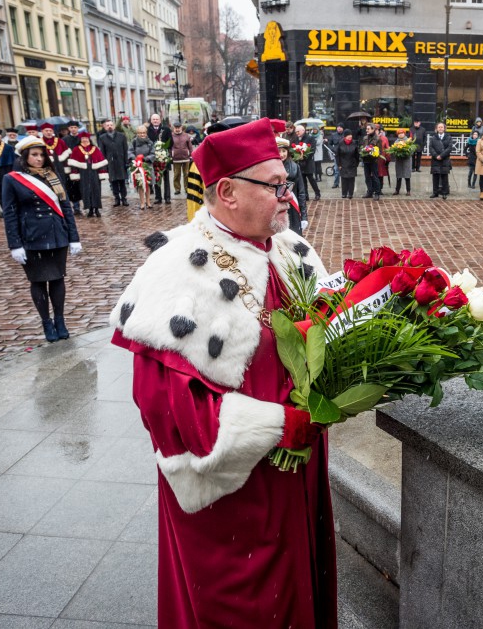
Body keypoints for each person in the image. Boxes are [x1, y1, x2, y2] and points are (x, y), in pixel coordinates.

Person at [108, 117, 336, 628]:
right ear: (228, 191)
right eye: (276, 184)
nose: (288, 195)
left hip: (294, 476)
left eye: (288, 182)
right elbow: (164, 403)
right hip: (232, 496)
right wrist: (278, 425)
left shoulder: (290, 249)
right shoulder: (177, 270)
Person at [2, 136, 81, 342]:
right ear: (24, 157)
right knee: (38, 281)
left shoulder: (53, 176)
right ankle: (46, 322)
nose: (39, 159)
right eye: (34, 155)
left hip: (57, 234)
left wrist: (74, 237)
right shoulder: (12, 179)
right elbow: (10, 213)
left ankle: (60, 320)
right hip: (31, 237)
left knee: (57, 279)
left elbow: (66, 207)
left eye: (41, 155)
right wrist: (15, 244)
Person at [68, 131, 108, 217]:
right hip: (83, 173)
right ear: (80, 139)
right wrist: (75, 174)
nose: (85, 140)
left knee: (96, 190)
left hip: (94, 172)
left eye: (86, 138)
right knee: (86, 191)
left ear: (88, 139)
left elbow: (100, 161)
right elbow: (73, 164)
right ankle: (90, 209)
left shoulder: (95, 148)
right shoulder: (76, 149)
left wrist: (102, 174)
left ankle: (96, 209)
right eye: (83, 138)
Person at [277, 136, 308, 234]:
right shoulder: (268, 168)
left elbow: (301, 192)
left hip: (292, 209)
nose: (281, 154)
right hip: (277, 209)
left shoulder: (295, 167)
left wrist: (304, 216)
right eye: (278, 151)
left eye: (284, 151)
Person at [99, 119, 129, 207]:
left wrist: (126, 161)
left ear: (114, 126)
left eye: (111, 125)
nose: (109, 127)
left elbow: (125, 149)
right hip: (110, 163)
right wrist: (104, 164)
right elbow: (102, 152)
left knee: (122, 181)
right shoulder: (102, 138)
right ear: (105, 127)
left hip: (121, 162)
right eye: (107, 125)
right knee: (113, 182)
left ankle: (124, 198)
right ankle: (116, 198)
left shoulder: (121, 136)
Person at [129, 125, 155, 210]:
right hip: (138, 165)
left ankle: (148, 201)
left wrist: (146, 158)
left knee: (148, 184)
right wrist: (135, 158)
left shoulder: (150, 142)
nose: (142, 134)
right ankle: (142, 203)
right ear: (137, 133)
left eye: (143, 133)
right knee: (140, 184)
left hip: (147, 165)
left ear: (146, 133)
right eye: (140, 133)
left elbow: (153, 153)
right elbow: (130, 151)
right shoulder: (134, 142)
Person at [169, 121, 193, 203]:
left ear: (181, 127)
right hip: (176, 158)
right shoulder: (171, 136)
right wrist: (170, 156)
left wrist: (191, 155)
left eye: (179, 127)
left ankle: (187, 188)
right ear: (174, 128)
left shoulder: (186, 135)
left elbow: (190, 146)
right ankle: (177, 189)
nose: (177, 129)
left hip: (186, 157)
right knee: (176, 174)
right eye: (176, 128)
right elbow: (169, 147)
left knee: (186, 174)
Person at [429, 122, 452, 199]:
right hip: (435, 160)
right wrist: (436, 156)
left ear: (444, 128)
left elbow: (449, 148)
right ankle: (435, 193)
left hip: (444, 159)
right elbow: (431, 148)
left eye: (442, 127)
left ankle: (444, 193)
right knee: (435, 177)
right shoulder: (433, 138)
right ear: (436, 129)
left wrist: (441, 155)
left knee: (444, 177)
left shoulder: (448, 137)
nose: (440, 128)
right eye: (439, 127)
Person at [360, 122, 382, 200]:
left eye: (368, 129)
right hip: (366, 160)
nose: (367, 130)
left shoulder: (378, 139)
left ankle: (377, 193)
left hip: (373, 160)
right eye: (366, 129)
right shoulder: (365, 138)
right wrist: (363, 152)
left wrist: (373, 153)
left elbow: (380, 151)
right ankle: (369, 192)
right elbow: (362, 148)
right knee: (367, 177)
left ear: (373, 129)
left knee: (375, 177)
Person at [335, 130, 359, 199]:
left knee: (351, 179)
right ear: (345, 137)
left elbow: (357, 154)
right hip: (343, 163)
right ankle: (344, 193)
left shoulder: (354, 143)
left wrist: (356, 163)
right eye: (348, 136)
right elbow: (337, 155)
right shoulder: (340, 143)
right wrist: (339, 164)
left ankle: (350, 194)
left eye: (351, 136)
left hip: (352, 164)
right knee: (344, 179)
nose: (350, 138)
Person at [392, 129, 413, 195]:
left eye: (402, 133)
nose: (401, 134)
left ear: (404, 134)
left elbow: (412, 150)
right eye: (399, 133)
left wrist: (406, 152)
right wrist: (397, 153)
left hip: (406, 160)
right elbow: (393, 151)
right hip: (399, 161)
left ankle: (408, 191)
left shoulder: (408, 141)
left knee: (407, 176)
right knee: (399, 176)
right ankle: (397, 190)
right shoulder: (396, 142)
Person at [327, 124, 345, 188]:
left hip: (345, 155)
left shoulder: (345, 134)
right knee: (337, 170)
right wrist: (333, 149)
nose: (339, 128)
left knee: (345, 170)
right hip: (337, 155)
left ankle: (344, 184)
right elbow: (329, 144)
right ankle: (336, 183)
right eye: (338, 127)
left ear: (343, 128)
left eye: (340, 127)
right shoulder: (333, 135)